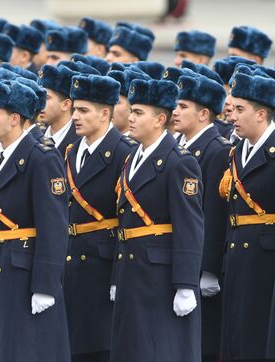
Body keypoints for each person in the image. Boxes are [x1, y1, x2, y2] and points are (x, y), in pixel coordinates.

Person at [0, 80, 71, 362]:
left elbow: (53, 226)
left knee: (25, 350)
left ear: (15, 118)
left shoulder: (41, 157)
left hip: (23, 272)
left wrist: (45, 285)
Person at [110, 79, 204, 362]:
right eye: (131, 110)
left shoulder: (179, 162)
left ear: (160, 119)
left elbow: (190, 227)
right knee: (132, 348)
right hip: (131, 270)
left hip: (160, 277)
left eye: (139, 112)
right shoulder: (132, 157)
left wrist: (186, 284)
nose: (131, 117)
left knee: (160, 349)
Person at [64, 74, 136, 362]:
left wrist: (118, 276)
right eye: (75, 109)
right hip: (71, 258)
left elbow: (127, 219)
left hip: (103, 262)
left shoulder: (123, 153)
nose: (75, 117)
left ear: (105, 113)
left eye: (84, 110)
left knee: (99, 346)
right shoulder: (71, 151)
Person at [172, 74, 231, 362]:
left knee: (204, 341)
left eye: (183, 106)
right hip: (183, 259)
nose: (175, 111)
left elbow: (214, 213)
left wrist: (209, 268)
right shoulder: (180, 146)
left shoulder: (216, 149)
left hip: (201, 263)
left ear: (204, 113)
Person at [218, 70, 275, 362]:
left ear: (262, 114)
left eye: (241, 109)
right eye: (232, 107)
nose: (232, 116)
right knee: (236, 337)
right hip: (238, 255)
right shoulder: (237, 150)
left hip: (266, 260)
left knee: (259, 338)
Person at [37, 64, 81, 156]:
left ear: (66, 104)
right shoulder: (35, 136)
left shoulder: (80, 141)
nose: (40, 102)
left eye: (46, 98)